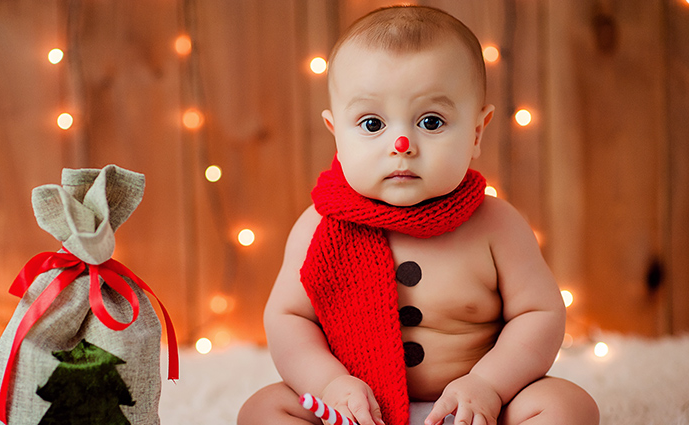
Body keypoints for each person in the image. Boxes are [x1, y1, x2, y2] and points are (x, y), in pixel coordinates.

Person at [238, 6, 599, 425]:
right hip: (357, 411)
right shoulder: (319, 226)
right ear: (336, 132)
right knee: (263, 410)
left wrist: (489, 385)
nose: (402, 143)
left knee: (568, 405)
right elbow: (289, 319)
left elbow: (540, 314)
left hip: (473, 408)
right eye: (372, 123)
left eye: (431, 121)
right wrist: (329, 384)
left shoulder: (496, 225)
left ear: (477, 133)